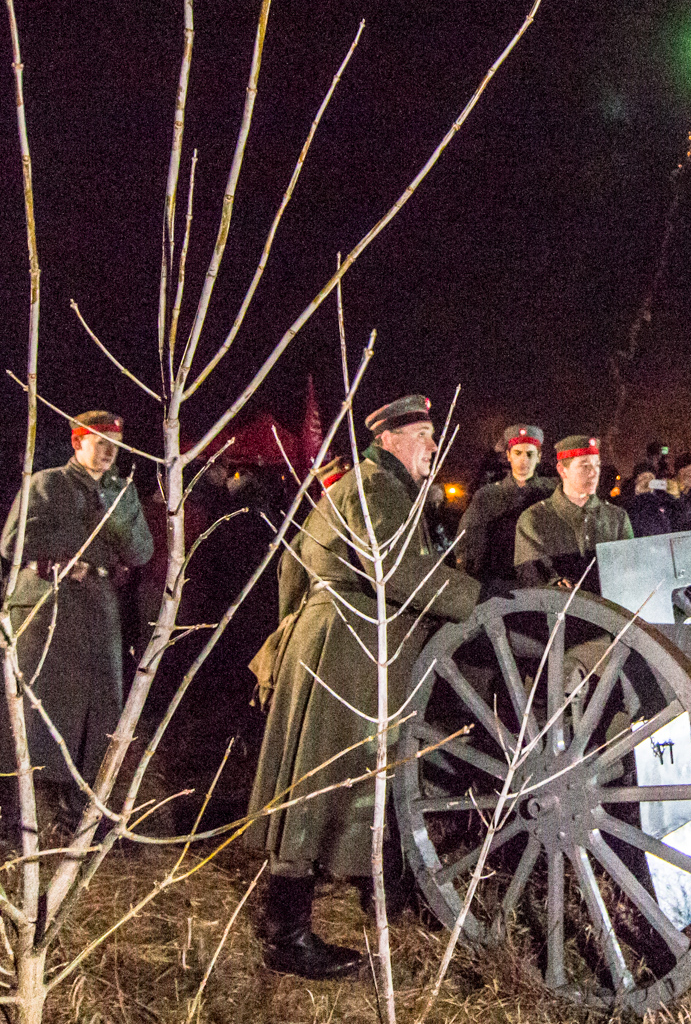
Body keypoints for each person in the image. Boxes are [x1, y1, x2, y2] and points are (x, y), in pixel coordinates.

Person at [245, 394, 482, 980]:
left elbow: (291, 570)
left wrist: (296, 629)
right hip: (346, 649)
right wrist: (474, 598)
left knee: (358, 776)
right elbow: (396, 569)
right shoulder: (375, 487)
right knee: (320, 782)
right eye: (425, 434)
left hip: (346, 643)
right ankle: (285, 934)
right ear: (393, 437)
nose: (433, 446)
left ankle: (381, 895)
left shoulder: (378, 487)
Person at [0, 410, 154, 813]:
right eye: (100, 443)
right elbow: (13, 543)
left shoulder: (122, 492)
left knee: (98, 710)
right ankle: (13, 808)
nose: (109, 452)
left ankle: (80, 807)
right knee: (31, 706)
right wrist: (64, 552)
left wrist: (114, 518)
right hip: (46, 605)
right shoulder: (46, 484)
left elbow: (141, 551)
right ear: (78, 443)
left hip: (98, 609)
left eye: (115, 445)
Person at [515, 435, 633, 594]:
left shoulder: (616, 518)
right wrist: (555, 583)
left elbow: (630, 570)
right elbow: (532, 575)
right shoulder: (534, 519)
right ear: (562, 470)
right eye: (584, 466)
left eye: (597, 465)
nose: (593, 473)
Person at [453, 423, 557, 592]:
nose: (524, 459)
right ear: (508, 456)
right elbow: (467, 541)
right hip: (500, 586)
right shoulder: (487, 496)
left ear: (539, 457)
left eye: (530, 454)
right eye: (518, 453)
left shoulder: (552, 494)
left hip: (544, 585)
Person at [623, 463, 676, 538]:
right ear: (636, 481)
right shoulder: (630, 502)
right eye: (643, 479)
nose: (646, 482)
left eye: (650, 478)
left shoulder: (663, 498)